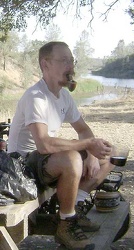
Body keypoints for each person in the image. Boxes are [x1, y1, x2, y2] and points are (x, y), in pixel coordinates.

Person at [7, 41, 115, 249]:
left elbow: (83, 130)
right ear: (45, 64)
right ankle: (66, 223)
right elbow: (44, 144)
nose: (71, 66)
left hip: (45, 162)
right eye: (64, 60)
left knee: (109, 153)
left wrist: (92, 153)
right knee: (71, 158)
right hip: (21, 167)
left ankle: (74, 206)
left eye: (71, 60)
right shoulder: (35, 97)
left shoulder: (64, 95)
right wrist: (86, 145)